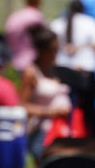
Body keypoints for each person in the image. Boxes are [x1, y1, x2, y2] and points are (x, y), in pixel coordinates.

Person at [50, 0, 95, 137]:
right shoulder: (90, 22)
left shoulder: (57, 23)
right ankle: (90, 137)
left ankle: (65, 134)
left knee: (65, 107)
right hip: (84, 72)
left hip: (62, 71)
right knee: (89, 109)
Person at [19, 24, 75, 157]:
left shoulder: (56, 69)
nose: (56, 53)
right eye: (53, 49)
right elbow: (23, 106)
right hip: (43, 132)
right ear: (41, 50)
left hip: (63, 128)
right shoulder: (31, 72)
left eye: (57, 49)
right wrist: (50, 112)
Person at [3, 0, 47, 71]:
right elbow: (46, 39)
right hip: (29, 61)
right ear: (38, 0)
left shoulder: (16, 15)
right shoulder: (36, 16)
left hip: (13, 59)